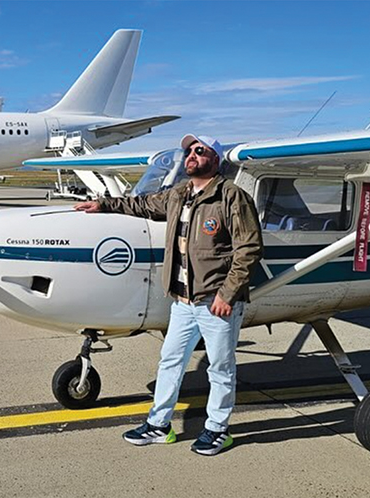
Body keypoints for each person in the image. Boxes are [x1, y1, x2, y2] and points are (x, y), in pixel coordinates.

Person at [75, 135, 263, 456]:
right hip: (183, 301)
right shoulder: (180, 195)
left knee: (220, 367)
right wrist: (104, 204)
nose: (191, 155)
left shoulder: (232, 197)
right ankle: (159, 425)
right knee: (170, 361)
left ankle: (217, 430)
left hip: (217, 303)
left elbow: (249, 249)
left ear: (215, 160)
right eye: (188, 151)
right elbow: (142, 204)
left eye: (199, 151)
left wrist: (227, 294)